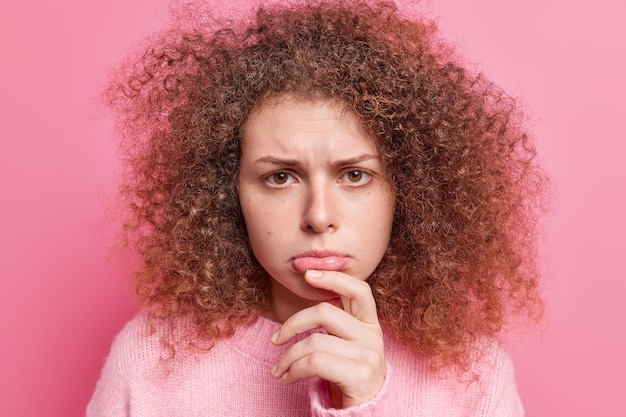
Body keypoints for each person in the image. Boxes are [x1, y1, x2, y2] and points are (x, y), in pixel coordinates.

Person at [87, 0, 547, 415]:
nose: (319, 216)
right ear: (229, 194)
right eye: (281, 177)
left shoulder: (474, 379)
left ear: (407, 193)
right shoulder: (151, 362)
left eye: (354, 175)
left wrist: (366, 405)